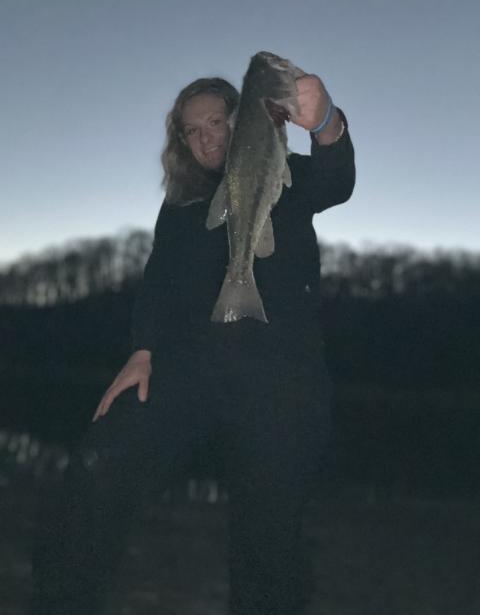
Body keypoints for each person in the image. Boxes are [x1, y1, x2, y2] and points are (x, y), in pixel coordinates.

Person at [30, 67, 355, 615]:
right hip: (186, 374)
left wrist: (325, 122)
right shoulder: (179, 204)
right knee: (99, 462)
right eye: (192, 130)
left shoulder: (286, 174)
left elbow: (336, 180)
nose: (206, 138)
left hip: (281, 380)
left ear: (242, 119)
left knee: (270, 534)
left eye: (216, 122)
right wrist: (141, 350)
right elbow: (158, 279)